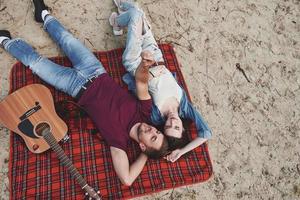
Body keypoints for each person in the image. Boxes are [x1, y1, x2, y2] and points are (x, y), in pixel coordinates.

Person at [0, 0, 169, 186]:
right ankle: (44, 16)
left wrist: (145, 155)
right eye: (157, 132)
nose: (153, 129)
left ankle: (6, 42)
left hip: (73, 86)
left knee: (36, 64)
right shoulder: (144, 112)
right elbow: (141, 82)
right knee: (66, 38)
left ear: (143, 146)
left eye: (153, 137)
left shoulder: (118, 142)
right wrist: (144, 66)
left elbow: (127, 179)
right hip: (95, 70)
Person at [109, 0, 212, 162]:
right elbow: (206, 133)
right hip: (156, 56)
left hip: (136, 62)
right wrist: (181, 152)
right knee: (138, 12)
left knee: (136, 15)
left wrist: (150, 72)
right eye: (177, 127)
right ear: (183, 129)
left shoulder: (155, 115)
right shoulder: (185, 108)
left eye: (168, 127)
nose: (172, 121)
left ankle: (117, 21)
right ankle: (121, 14)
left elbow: (139, 84)